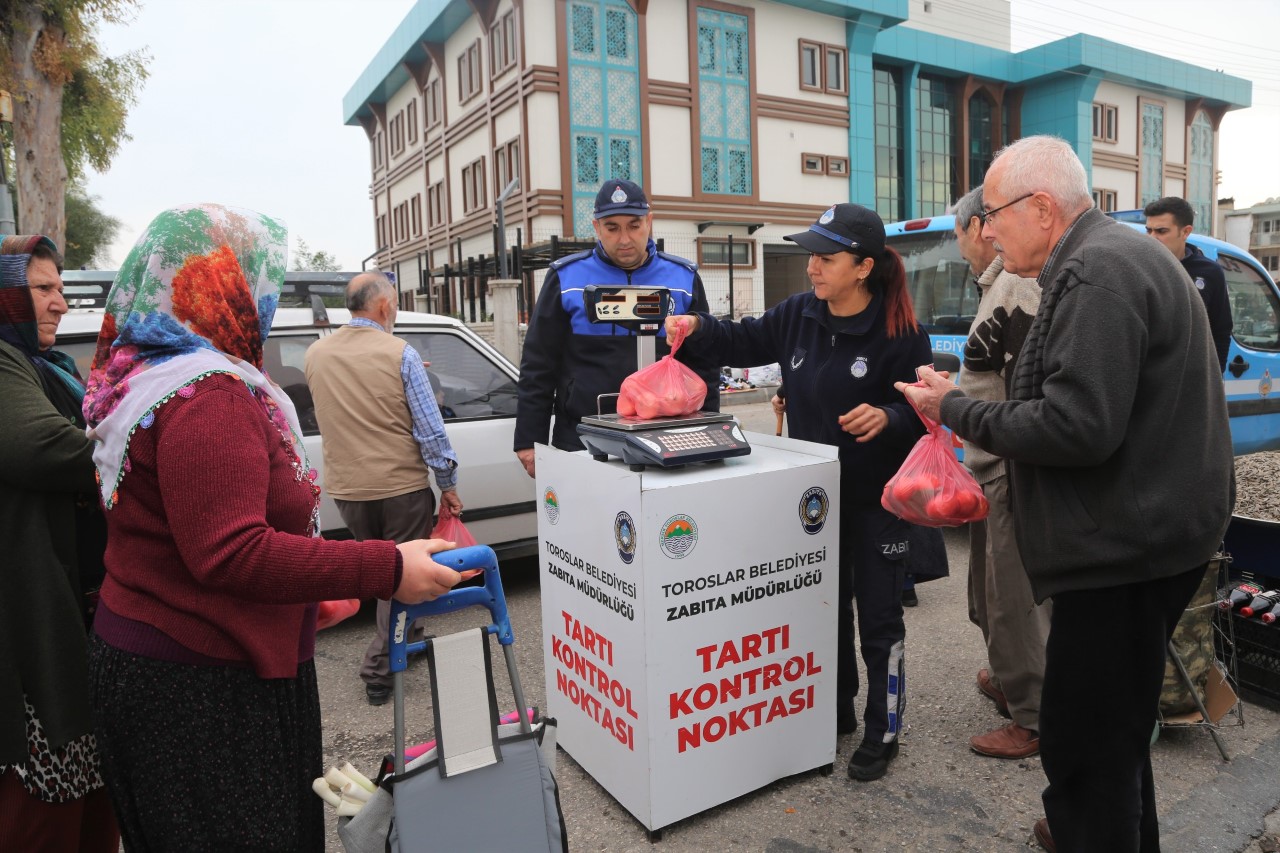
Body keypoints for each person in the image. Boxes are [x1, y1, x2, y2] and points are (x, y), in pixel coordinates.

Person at [84, 204, 473, 851]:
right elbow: (231, 551)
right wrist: (389, 568)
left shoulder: (146, 375)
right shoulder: (206, 392)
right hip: (199, 690)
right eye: (259, 279)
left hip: (169, 666)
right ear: (224, 288)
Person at [900, 137, 1233, 851]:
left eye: (992, 214)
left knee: (1084, 747)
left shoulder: (1096, 272)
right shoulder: (1103, 258)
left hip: (1125, 553)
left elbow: (1078, 425)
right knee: (1113, 736)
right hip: (1145, 536)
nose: (985, 231)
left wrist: (954, 408)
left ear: (1042, 208)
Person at [666, 203, 933, 782]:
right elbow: (740, 340)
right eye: (811, 254)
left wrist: (890, 417)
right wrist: (696, 327)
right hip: (814, 504)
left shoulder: (902, 334)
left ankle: (882, 729)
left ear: (863, 267)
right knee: (821, 611)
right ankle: (832, 711)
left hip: (876, 502)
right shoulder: (798, 314)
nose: (812, 267)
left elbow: (927, 413)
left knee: (880, 620)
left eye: (826, 257)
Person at [0, 235, 118, 851]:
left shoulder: (49, 367)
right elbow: (40, 447)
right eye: (41, 289)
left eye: (58, 289)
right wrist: (140, 441)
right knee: (42, 804)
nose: (59, 304)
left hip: (77, 607)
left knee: (89, 792)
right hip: (30, 617)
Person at [305, 272, 463, 706]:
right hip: (400, 488)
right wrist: (447, 484)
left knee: (381, 570)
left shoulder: (316, 353)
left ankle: (405, 645)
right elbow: (431, 431)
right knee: (400, 578)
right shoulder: (400, 353)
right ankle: (378, 669)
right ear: (385, 307)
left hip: (348, 491)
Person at [513, 178, 719, 477]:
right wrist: (529, 439)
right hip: (581, 437)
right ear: (597, 228)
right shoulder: (565, 279)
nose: (624, 238)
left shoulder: (683, 279)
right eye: (612, 227)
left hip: (666, 436)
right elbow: (538, 364)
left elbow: (705, 362)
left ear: (649, 222)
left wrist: (710, 428)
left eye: (634, 225)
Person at [946, 185, 1050, 762]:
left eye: (962, 232)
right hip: (993, 462)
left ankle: (1032, 715)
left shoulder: (1018, 285)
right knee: (991, 593)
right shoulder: (997, 286)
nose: (968, 244)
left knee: (1013, 598)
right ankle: (1014, 681)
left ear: (979, 226)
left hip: (1011, 465)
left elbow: (1024, 386)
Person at [1143, 196, 1233, 372]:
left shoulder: (1210, 273)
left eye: (1161, 231)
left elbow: (1221, 331)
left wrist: (1212, 379)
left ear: (1185, 232)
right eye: (1149, 231)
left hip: (1190, 382)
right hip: (1145, 382)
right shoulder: (1137, 266)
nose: (1152, 238)